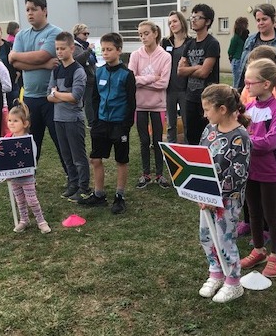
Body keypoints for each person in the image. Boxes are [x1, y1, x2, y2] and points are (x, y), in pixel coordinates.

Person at [198, 84, 251, 303]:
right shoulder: (210, 129)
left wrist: (216, 198)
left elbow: (238, 175)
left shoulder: (240, 137)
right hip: (206, 197)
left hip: (227, 201)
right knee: (206, 235)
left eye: (207, 109)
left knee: (225, 238)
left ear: (222, 109)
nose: (204, 114)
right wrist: (201, 192)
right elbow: (200, 157)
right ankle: (216, 273)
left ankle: (233, 282)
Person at [239, 58, 276, 278]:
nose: (246, 86)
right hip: (250, 169)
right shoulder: (249, 107)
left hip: (270, 172)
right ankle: (258, 249)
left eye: (250, 83)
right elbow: (238, 131)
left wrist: (246, 141)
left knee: (271, 215)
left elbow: (270, 142)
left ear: (266, 84)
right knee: (253, 212)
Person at [78, 33, 136, 215]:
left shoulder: (127, 75)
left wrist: (126, 126)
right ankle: (99, 194)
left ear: (119, 50)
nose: (105, 53)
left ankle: (120, 196)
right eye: (103, 49)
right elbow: (94, 98)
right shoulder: (99, 72)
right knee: (95, 159)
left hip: (119, 124)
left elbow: (131, 102)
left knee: (121, 160)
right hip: (101, 123)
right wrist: (94, 121)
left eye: (109, 49)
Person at [9, 0, 65, 168]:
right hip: (29, 98)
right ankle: (28, 176)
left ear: (44, 10)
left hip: (52, 98)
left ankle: (74, 179)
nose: (30, 13)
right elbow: (14, 63)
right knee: (31, 142)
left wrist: (17, 56)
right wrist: (42, 64)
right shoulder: (21, 35)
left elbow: (43, 55)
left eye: (34, 9)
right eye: (27, 10)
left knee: (61, 141)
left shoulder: (54, 32)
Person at [47, 31, 90, 202]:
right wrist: (60, 94)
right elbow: (48, 96)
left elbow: (75, 98)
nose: (59, 52)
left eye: (62, 48)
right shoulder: (56, 71)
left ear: (72, 48)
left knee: (78, 156)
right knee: (66, 156)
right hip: (58, 119)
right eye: (57, 48)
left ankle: (84, 186)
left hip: (73, 120)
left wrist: (57, 94)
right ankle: (72, 183)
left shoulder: (78, 71)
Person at [129, 20, 172, 189]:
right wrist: (152, 78)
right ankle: (145, 174)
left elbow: (164, 84)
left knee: (157, 140)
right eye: (140, 34)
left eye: (146, 33)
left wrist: (141, 81)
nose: (143, 37)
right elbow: (131, 80)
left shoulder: (165, 56)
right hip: (139, 105)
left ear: (155, 33)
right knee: (143, 140)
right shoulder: (135, 55)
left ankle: (160, 174)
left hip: (158, 105)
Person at [178, 3, 220, 145]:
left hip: (208, 98)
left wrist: (190, 68)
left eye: (198, 17)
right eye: (192, 17)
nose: (193, 20)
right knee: (191, 136)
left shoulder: (212, 43)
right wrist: (196, 67)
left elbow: (204, 72)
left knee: (207, 137)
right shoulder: (189, 44)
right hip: (190, 98)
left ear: (207, 21)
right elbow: (180, 70)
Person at [5, 102, 51, 234]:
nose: (11, 123)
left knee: (32, 200)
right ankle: (24, 220)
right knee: (19, 200)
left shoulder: (29, 140)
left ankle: (41, 221)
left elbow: (32, 158)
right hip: (13, 178)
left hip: (27, 177)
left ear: (25, 124)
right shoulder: (7, 139)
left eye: (15, 121)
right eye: (9, 120)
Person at [162, 11, 191, 144]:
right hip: (169, 88)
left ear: (181, 22)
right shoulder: (165, 42)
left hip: (185, 88)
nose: (172, 24)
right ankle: (170, 152)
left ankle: (187, 150)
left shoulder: (190, 42)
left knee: (187, 123)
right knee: (170, 124)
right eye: (170, 23)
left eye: (174, 21)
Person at [239, 4, 276, 72]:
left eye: (264, 19)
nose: (261, 23)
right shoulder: (250, 41)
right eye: (258, 20)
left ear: (273, 19)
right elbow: (243, 68)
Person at [0, 21, 19, 110]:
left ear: (1, 33)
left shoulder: (9, 46)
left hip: (11, 84)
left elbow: (17, 59)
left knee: (14, 110)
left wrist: (17, 73)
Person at [72, 23, 97, 128]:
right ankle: (91, 123)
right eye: (84, 33)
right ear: (77, 34)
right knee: (88, 102)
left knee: (90, 100)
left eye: (88, 33)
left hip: (90, 76)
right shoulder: (75, 46)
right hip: (84, 78)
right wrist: (89, 50)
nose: (86, 36)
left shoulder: (83, 45)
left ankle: (93, 120)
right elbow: (78, 59)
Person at [228, 17, 249, 88]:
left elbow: (230, 50)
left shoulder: (236, 37)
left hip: (237, 59)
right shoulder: (247, 36)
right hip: (244, 60)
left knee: (236, 82)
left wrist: (230, 58)